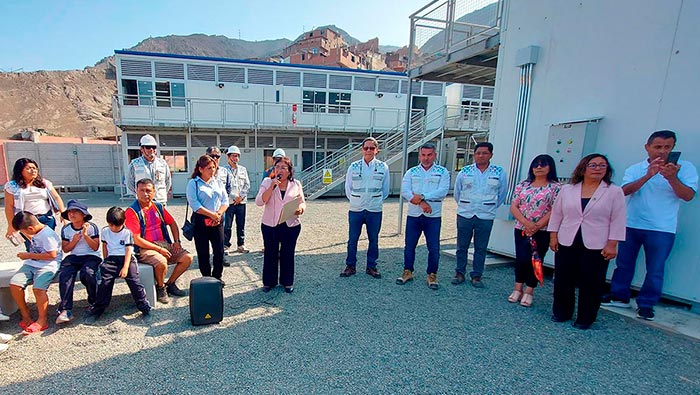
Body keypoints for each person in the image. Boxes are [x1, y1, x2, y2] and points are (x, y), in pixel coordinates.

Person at [602, 130, 698, 321]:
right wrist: (648, 175)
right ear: (647, 147)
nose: (662, 151)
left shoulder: (684, 168)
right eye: (657, 147)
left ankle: (646, 303)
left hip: (662, 227)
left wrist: (672, 177)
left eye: (667, 147)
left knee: (655, 268)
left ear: (673, 147)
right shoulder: (635, 169)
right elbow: (624, 192)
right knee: (624, 263)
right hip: (632, 223)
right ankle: (620, 296)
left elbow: (688, 196)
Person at [548, 154, 626, 330]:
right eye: (593, 165)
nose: (597, 168)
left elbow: (618, 219)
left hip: (597, 242)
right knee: (563, 278)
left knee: (591, 281)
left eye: (602, 165)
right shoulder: (568, 189)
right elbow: (557, 214)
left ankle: (585, 318)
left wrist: (612, 244)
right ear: (583, 168)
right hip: (568, 239)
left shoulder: (613, 191)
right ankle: (561, 312)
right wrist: (553, 236)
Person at [126, 178, 193, 304]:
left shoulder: (157, 207)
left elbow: (172, 223)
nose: (145, 194)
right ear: (136, 191)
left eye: (148, 190)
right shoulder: (132, 212)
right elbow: (136, 239)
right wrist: (159, 249)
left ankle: (170, 284)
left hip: (163, 244)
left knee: (187, 257)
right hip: (144, 248)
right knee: (161, 261)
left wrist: (176, 241)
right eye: (142, 190)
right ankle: (160, 288)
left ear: (154, 192)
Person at [452, 142, 508, 288]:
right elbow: (457, 193)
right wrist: (466, 205)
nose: (481, 156)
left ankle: (476, 275)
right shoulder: (465, 171)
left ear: (491, 155)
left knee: (480, 247)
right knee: (462, 246)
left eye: (484, 153)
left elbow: (502, 194)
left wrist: (489, 206)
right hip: (465, 213)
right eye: (478, 153)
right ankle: (459, 273)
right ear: (474, 154)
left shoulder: (498, 172)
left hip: (485, 215)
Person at [508, 155, 560, 307]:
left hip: (542, 230)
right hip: (521, 228)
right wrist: (526, 223)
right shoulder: (523, 185)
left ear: (550, 167)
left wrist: (537, 226)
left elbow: (555, 210)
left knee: (536, 260)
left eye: (543, 165)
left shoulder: (556, 187)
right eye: (536, 165)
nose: (539, 167)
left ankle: (529, 290)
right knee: (522, 259)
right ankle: (517, 288)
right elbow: (514, 206)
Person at [396, 142, 450, 289]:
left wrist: (423, 197)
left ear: (435, 155)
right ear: (419, 155)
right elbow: (406, 191)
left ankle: (432, 274)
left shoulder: (442, 172)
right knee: (409, 246)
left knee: (433, 247)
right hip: (414, 215)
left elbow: (443, 191)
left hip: (433, 216)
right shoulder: (411, 172)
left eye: (429, 155)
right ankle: (408, 271)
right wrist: (421, 203)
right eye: (423, 155)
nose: (426, 158)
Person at [86, 207, 151, 323]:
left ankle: (144, 308)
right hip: (111, 260)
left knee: (135, 282)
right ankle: (98, 309)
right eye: (112, 225)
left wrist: (125, 267)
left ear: (123, 222)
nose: (114, 228)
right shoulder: (105, 231)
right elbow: (105, 246)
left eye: (118, 225)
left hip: (127, 259)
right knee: (104, 283)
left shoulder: (127, 233)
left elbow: (128, 250)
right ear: (108, 223)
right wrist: (105, 261)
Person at [340, 137, 390, 279]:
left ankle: (371, 266)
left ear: (377, 150)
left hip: (374, 210)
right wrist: (357, 200)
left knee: (373, 239)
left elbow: (385, 190)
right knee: (352, 239)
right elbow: (348, 188)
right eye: (366, 148)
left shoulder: (383, 167)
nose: (368, 150)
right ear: (362, 150)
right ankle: (350, 266)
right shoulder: (353, 167)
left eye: (372, 148)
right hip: (356, 209)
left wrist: (375, 201)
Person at [255, 156, 306, 293]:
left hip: (290, 224)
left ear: (289, 171)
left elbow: (302, 201)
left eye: (284, 167)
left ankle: (287, 282)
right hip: (270, 224)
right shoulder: (267, 182)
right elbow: (259, 202)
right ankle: (269, 282)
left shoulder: (296, 184)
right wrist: (272, 186)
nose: (280, 170)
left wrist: (301, 209)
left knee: (288, 253)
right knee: (270, 253)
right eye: (277, 167)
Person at [9, 211, 62, 335]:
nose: (24, 234)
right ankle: (25, 314)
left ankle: (42, 319)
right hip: (31, 263)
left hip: (48, 265)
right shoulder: (35, 231)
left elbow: (52, 255)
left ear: (30, 228)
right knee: (15, 284)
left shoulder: (47, 234)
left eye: (24, 231)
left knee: (38, 289)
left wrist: (28, 255)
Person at [56, 200, 101, 324]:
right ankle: (66, 309)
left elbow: (95, 247)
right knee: (65, 274)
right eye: (70, 212)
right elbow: (66, 249)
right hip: (74, 256)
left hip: (91, 255)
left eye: (76, 211)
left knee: (88, 273)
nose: (72, 214)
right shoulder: (66, 229)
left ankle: (93, 301)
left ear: (83, 215)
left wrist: (85, 236)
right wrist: (75, 240)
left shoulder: (92, 227)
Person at [4, 158, 65, 250]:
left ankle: (50, 263)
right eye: (29, 168)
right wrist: (11, 225)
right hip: (26, 221)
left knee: (48, 245)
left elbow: (56, 197)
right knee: (32, 247)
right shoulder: (12, 186)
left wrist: (63, 212)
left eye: (35, 168)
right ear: (20, 170)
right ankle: (35, 263)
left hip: (46, 218)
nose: (33, 170)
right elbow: (9, 206)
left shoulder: (44, 183)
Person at [186, 155, 229, 283]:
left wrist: (219, 213)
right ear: (201, 169)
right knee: (203, 252)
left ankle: (217, 277)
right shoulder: (193, 183)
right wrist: (212, 215)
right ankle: (206, 278)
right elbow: (195, 204)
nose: (212, 170)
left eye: (214, 167)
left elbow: (225, 200)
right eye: (209, 168)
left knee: (219, 251)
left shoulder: (218, 182)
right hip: (201, 221)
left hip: (217, 220)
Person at [126, 134, 172, 205]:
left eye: (153, 147)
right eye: (148, 147)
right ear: (142, 149)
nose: (151, 149)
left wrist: (161, 193)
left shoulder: (163, 164)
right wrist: (140, 194)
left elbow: (168, 181)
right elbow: (130, 183)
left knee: (160, 216)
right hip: (143, 202)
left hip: (160, 201)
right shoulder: (134, 164)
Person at [222, 145, 251, 254]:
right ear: (228, 157)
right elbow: (223, 186)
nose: (236, 158)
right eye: (233, 156)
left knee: (241, 224)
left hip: (241, 202)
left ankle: (241, 245)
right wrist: (235, 198)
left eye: (237, 156)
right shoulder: (223, 170)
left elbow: (247, 185)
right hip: (229, 203)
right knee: (227, 225)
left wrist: (241, 197)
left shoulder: (243, 169)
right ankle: (226, 245)